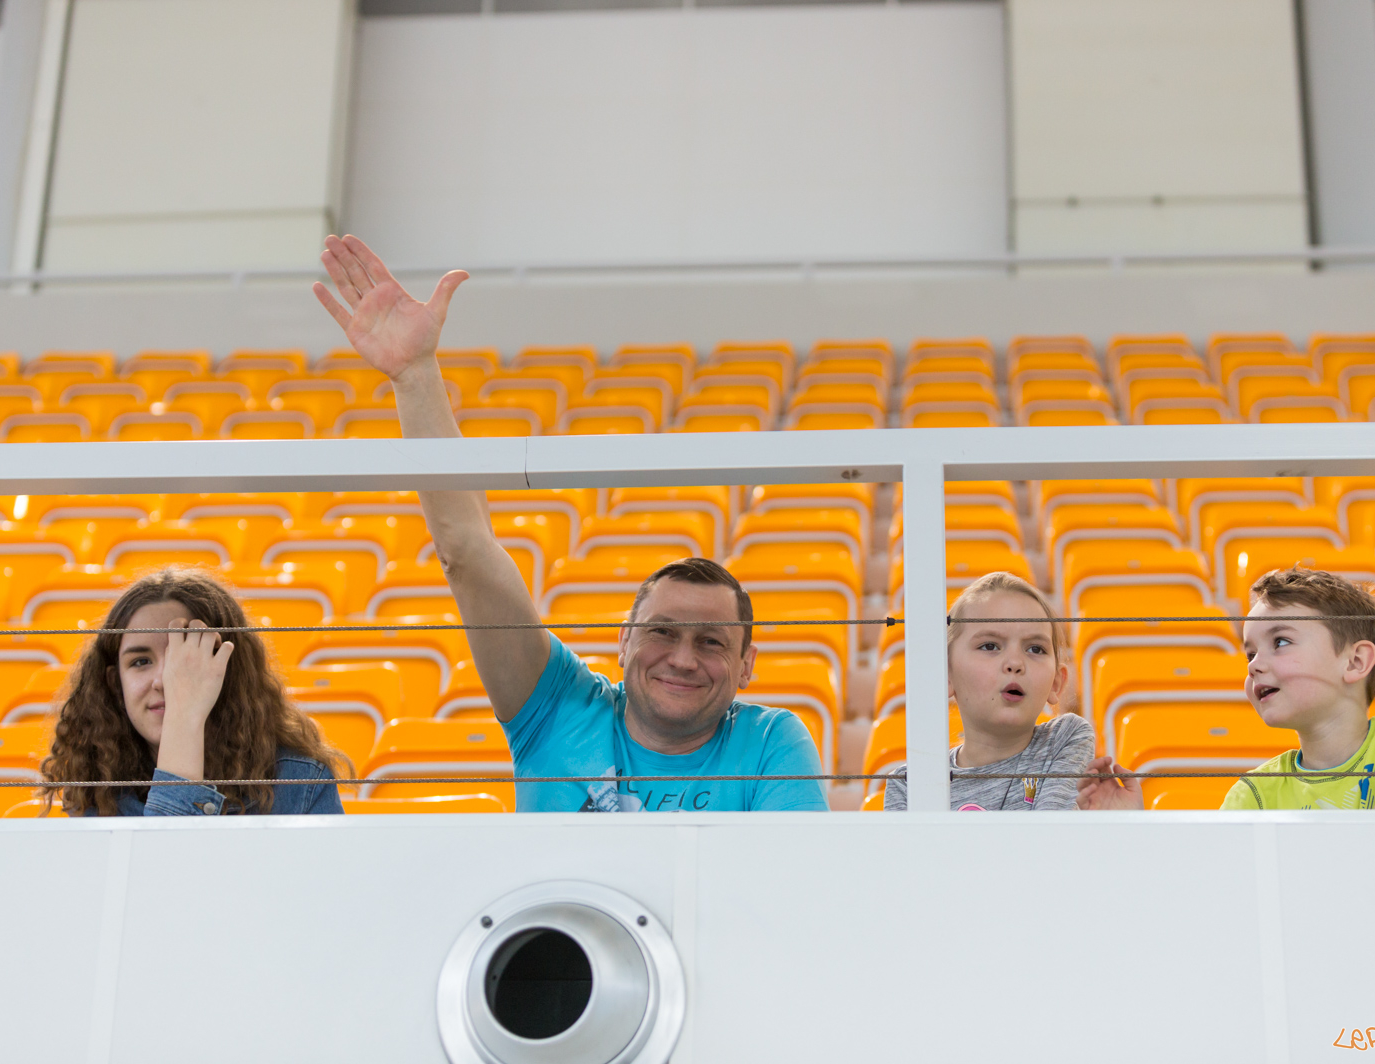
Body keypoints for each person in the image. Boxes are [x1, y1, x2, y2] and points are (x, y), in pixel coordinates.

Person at [312, 235, 828, 812]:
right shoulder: (556, 706)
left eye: (711, 642)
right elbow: (468, 555)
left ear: (747, 665)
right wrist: (414, 376)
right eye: (662, 632)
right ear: (624, 639)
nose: (682, 658)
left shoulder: (771, 741)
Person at [1078, 568, 1375, 811]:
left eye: (1280, 642)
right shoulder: (1255, 793)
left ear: (1356, 662)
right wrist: (1129, 828)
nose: (1254, 664)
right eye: (1249, 652)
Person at [41, 568, 348, 816]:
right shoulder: (99, 788)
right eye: (141, 661)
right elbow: (164, 882)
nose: (166, 679)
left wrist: (185, 713)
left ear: (228, 667)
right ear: (113, 682)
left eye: (185, 655)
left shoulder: (300, 782)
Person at [883, 571, 1092, 811]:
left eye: (1035, 649)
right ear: (946, 674)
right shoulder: (910, 786)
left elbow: (1047, 839)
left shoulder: (1065, 738)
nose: (1015, 663)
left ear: (1056, 682)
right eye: (990, 646)